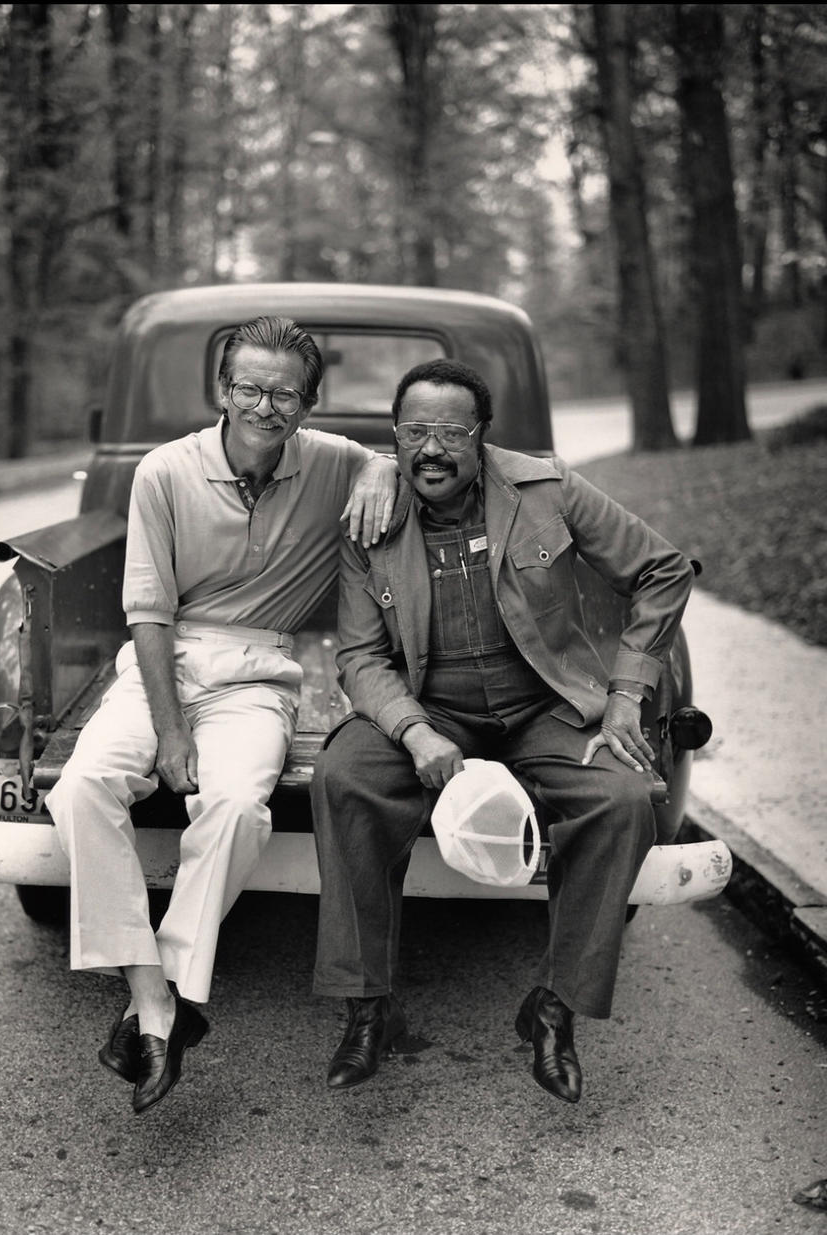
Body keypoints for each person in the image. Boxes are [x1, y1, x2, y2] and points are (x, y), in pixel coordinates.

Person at [311, 358, 694, 1104]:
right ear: (394, 436)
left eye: (452, 432)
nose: (433, 448)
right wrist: (415, 731)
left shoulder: (546, 490)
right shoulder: (370, 517)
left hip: (544, 706)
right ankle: (367, 1007)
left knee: (621, 800)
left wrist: (624, 697)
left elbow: (664, 570)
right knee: (343, 776)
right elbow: (358, 656)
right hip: (429, 707)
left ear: (481, 436)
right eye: (416, 430)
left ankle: (553, 1006)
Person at [46, 316, 397, 1114]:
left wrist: (380, 466)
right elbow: (147, 611)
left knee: (238, 807)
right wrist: (170, 731)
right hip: (159, 665)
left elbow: (409, 457)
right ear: (222, 390)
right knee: (81, 788)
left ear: (311, 403)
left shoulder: (335, 463)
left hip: (258, 671)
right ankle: (156, 995)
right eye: (248, 387)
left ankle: (158, 995)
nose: (264, 406)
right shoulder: (165, 471)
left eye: (284, 393)